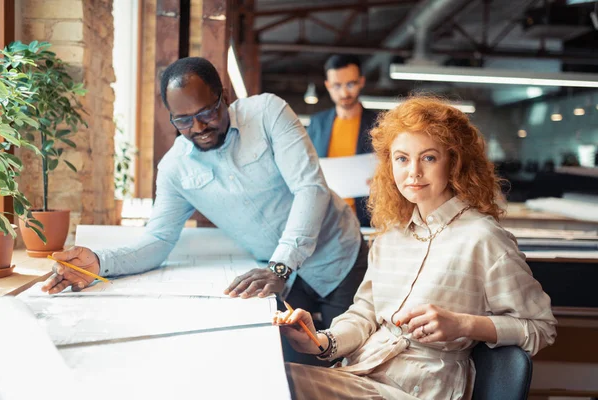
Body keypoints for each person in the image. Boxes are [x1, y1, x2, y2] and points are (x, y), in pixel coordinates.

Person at [41, 57, 368, 364]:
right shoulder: (174, 169)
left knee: (345, 360)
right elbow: (157, 240)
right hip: (283, 280)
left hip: (338, 257)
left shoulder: (268, 112)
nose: (198, 127)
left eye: (207, 112)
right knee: (298, 366)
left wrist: (280, 267)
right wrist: (99, 261)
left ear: (223, 96)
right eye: (182, 120)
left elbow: (310, 187)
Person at [274, 96, 557, 399]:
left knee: (280, 383)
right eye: (402, 158)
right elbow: (366, 312)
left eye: (429, 158)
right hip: (363, 372)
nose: (413, 172)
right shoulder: (390, 235)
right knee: (273, 377)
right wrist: (319, 340)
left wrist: (465, 324)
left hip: (423, 389)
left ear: (454, 162)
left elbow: (540, 327)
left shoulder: (483, 238)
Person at [307, 54, 377, 227]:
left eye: (351, 84)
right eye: (337, 86)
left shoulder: (380, 123)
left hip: (366, 219)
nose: (344, 92)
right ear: (328, 86)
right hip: (325, 219)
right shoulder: (317, 123)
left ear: (361, 81)